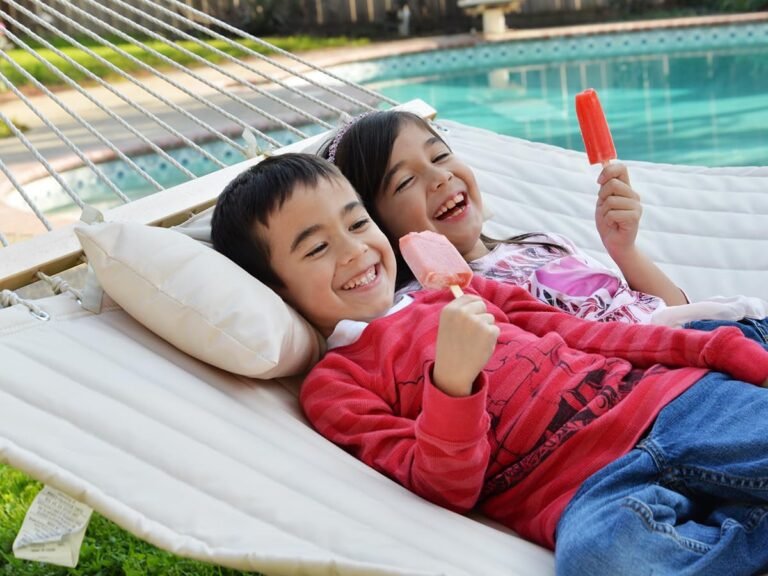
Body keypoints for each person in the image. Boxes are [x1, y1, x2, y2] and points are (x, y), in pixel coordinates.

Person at [211, 152, 768, 576]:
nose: (355, 251)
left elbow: (593, 335)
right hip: (583, 489)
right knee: (600, 558)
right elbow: (442, 489)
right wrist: (453, 385)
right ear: (276, 289)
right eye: (315, 249)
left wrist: (718, 349)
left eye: (357, 225)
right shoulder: (336, 386)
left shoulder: (466, 288)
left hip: (669, 404)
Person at [320, 109, 768, 341]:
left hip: (706, 330)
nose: (440, 178)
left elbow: (664, 305)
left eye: (440, 156)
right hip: (655, 376)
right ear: (375, 221)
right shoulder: (440, 305)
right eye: (406, 181)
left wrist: (623, 250)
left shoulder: (543, 243)